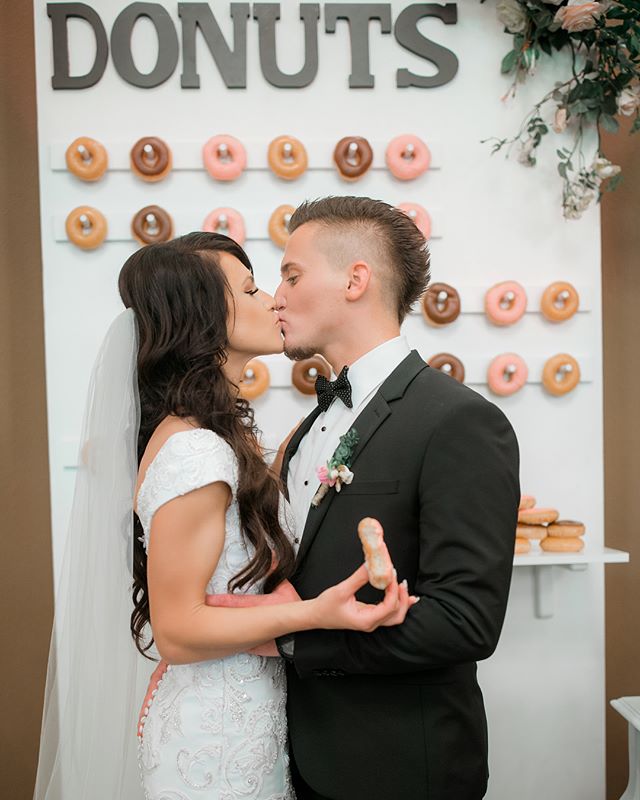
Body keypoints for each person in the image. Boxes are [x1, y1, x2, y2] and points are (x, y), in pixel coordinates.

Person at [33, 232, 416, 800]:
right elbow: (178, 631)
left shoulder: (210, 436)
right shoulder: (195, 449)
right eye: (252, 288)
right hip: (212, 743)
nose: (274, 301)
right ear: (204, 316)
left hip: (242, 719)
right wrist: (311, 614)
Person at [272, 196, 520, 800]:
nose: (276, 296)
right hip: (298, 756)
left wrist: (296, 638)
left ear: (356, 279)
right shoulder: (310, 426)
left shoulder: (459, 421)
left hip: (400, 767)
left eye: (292, 274)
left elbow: (466, 621)